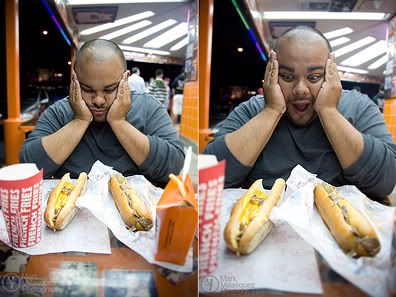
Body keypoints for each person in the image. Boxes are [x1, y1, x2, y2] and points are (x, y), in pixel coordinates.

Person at [204, 26, 396, 200]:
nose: (300, 89)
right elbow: (210, 176)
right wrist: (272, 111)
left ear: (331, 74)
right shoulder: (253, 110)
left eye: (314, 77)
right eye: (287, 77)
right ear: (272, 74)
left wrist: (328, 111)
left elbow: (387, 181)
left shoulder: (359, 107)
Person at [19, 39, 184, 186]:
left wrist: (119, 122)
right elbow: (29, 167)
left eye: (109, 89)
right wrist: (80, 120)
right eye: (87, 89)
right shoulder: (60, 112)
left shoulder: (148, 107)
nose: (98, 100)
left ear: (125, 78)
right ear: (75, 79)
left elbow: (173, 167)